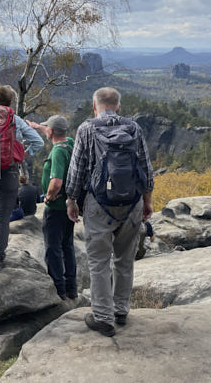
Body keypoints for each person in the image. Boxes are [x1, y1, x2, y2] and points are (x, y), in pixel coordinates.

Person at [65, 87, 154, 337]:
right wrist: (147, 201)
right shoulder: (134, 128)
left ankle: (103, 317)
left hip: (99, 204)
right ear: (118, 107)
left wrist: (71, 200)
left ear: (95, 106)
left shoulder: (87, 128)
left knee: (99, 261)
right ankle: (121, 310)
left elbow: (77, 169)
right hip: (132, 204)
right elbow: (146, 168)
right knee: (125, 259)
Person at [0, 85, 44, 271]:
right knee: (3, 217)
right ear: (10, 102)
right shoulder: (16, 120)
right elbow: (39, 142)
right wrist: (22, 154)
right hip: (10, 172)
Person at [32, 115, 77, 300]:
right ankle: (71, 287)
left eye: (47, 128)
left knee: (53, 248)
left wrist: (48, 198)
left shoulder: (58, 152)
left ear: (51, 132)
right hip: (69, 204)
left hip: (56, 207)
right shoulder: (71, 143)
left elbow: (56, 182)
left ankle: (58, 289)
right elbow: (54, 130)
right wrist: (37, 126)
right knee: (67, 245)